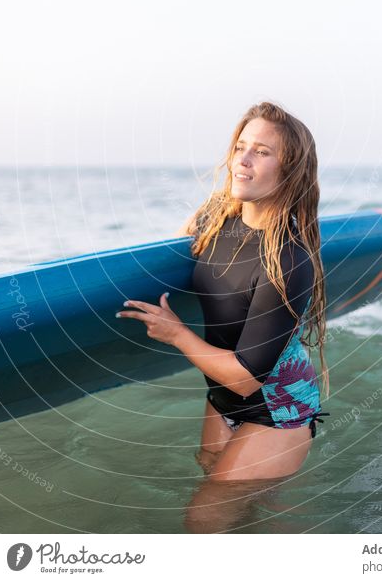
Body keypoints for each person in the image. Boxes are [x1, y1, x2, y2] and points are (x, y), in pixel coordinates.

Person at [116, 101, 329, 482]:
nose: (242, 160)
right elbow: (176, 252)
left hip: (276, 406)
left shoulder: (288, 261)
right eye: (240, 147)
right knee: (229, 493)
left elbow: (247, 377)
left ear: (290, 171)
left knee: (205, 521)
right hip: (222, 397)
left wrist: (177, 334)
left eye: (261, 152)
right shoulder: (215, 217)